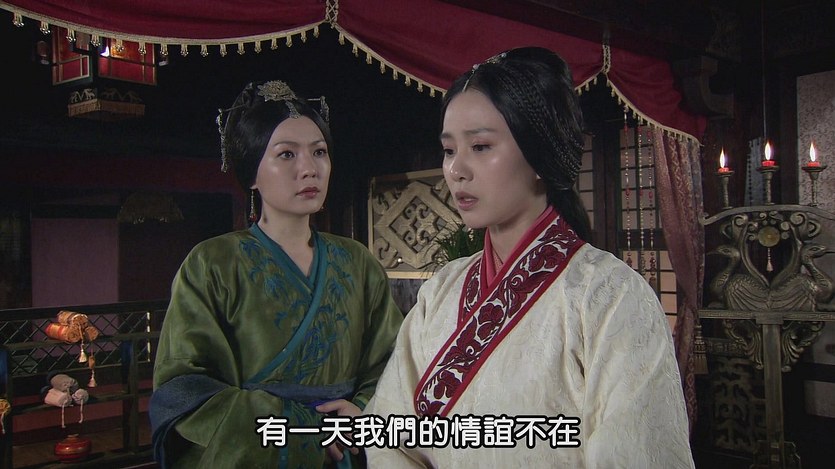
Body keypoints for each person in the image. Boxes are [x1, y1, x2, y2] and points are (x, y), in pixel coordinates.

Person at [363, 47, 694, 468]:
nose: (456, 170)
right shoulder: (442, 290)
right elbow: (390, 435)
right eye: (449, 150)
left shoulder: (610, 296)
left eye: (480, 146)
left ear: (539, 155)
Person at [149, 80, 403, 468]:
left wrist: (363, 410)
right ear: (252, 173)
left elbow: (393, 359)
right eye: (286, 154)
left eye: (319, 152)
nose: (309, 168)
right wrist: (298, 428)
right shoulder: (212, 263)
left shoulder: (357, 261)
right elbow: (183, 384)